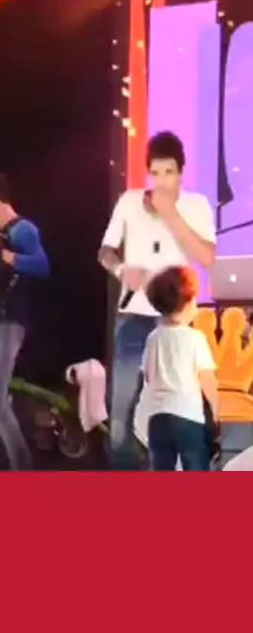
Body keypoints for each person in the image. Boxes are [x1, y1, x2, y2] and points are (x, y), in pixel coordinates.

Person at [98, 131, 216, 470]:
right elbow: (104, 251)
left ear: (181, 173)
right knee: (121, 411)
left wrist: (170, 214)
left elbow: (206, 257)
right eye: (155, 173)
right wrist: (121, 269)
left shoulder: (196, 205)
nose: (161, 181)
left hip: (176, 322)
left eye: (169, 172)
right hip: (133, 318)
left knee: (178, 411)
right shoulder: (129, 201)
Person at [0, 173, 50, 470]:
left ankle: (22, 467)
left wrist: (0, 254)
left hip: (8, 324)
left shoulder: (23, 229)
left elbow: (42, 265)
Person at [142, 265, 218, 471]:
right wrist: (216, 409)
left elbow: (148, 376)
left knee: (161, 466)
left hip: (157, 417)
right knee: (195, 464)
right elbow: (207, 377)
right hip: (187, 415)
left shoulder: (153, 337)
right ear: (187, 303)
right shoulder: (195, 338)